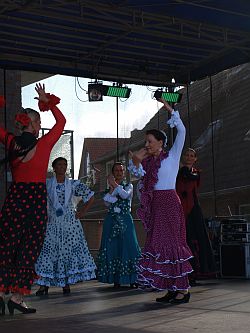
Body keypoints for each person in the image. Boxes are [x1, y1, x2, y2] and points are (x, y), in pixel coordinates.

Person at [0, 83, 66, 315]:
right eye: (39, 122)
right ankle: (17, 297)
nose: (40, 126)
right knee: (29, 247)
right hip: (35, 199)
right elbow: (61, 123)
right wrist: (47, 100)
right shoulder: (44, 143)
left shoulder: (10, 141)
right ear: (35, 124)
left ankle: (1, 293)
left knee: (7, 244)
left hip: (16, 197)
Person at [128, 98, 193, 304]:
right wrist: (136, 161)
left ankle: (184, 290)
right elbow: (137, 178)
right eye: (146, 142)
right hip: (156, 204)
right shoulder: (147, 162)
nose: (146, 145)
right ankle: (170, 288)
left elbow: (181, 132)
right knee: (158, 245)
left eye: (149, 141)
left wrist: (171, 111)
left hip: (170, 203)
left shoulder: (172, 156)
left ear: (160, 143)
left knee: (173, 245)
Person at [35, 157, 96, 295]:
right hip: (52, 223)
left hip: (70, 224)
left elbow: (91, 196)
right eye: (59, 165)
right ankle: (44, 284)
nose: (62, 167)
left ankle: (66, 283)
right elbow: (38, 200)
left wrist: (81, 212)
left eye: (64, 164)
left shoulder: (73, 184)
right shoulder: (47, 184)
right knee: (48, 251)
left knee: (67, 252)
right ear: (54, 168)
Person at [97, 162, 141, 288]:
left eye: (121, 170)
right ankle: (116, 278)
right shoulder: (107, 190)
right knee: (113, 247)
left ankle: (133, 279)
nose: (119, 173)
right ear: (112, 173)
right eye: (116, 171)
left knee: (129, 246)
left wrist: (114, 185)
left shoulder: (129, 186)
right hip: (111, 221)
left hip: (125, 220)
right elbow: (108, 202)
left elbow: (125, 195)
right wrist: (111, 188)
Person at [176, 148, 216, 286]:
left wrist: (183, 169)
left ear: (195, 159)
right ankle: (186, 273)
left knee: (198, 237)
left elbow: (190, 176)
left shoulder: (195, 173)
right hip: (180, 208)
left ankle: (197, 272)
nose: (188, 157)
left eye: (191, 156)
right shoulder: (178, 171)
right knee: (184, 239)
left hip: (193, 208)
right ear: (183, 157)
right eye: (186, 155)